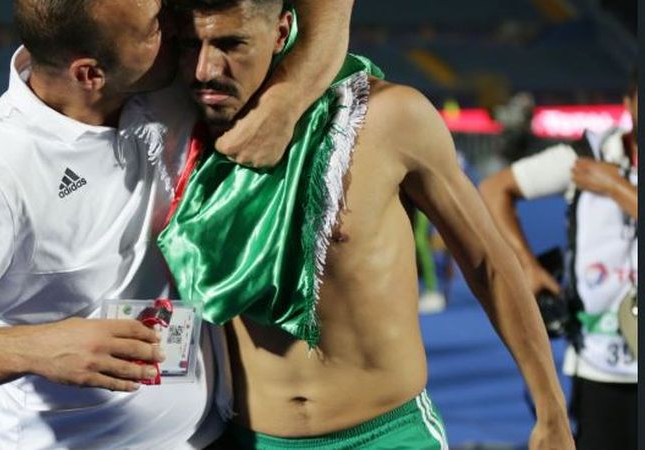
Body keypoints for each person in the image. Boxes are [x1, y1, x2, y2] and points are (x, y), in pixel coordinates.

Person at [0, 0, 357, 449]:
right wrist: (40, 347)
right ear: (90, 74)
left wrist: (287, 100)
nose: (179, 33)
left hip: (212, 438)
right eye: (156, 28)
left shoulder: (167, 82)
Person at [158, 1, 575, 448]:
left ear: (282, 32)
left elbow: (489, 264)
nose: (205, 68)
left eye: (231, 43)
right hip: (248, 438)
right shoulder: (175, 135)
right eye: (190, 45)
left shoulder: (391, 117)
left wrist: (551, 409)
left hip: (386, 435)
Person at [480, 74, 638, 450]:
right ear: (630, 103)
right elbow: (493, 190)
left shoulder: (602, 174)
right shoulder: (586, 156)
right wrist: (527, 265)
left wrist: (618, 189)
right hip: (601, 362)